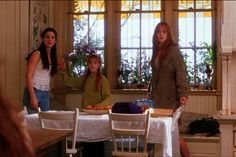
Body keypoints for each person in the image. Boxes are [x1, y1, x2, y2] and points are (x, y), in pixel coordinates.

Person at [149, 22, 191, 157]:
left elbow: (181, 72)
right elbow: (155, 76)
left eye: (164, 32)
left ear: (168, 35)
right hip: (158, 100)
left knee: (175, 135)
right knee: (163, 135)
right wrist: (150, 93)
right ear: (155, 35)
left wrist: (183, 93)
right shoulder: (156, 51)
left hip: (171, 100)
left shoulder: (173, 50)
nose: (161, 34)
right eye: (158, 32)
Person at [60, 54, 112, 157]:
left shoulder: (103, 80)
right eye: (90, 62)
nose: (92, 64)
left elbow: (108, 98)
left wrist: (96, 106)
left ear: (99, 65)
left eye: (95, 62)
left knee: (97, 143)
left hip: (98, 116)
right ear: (87, 64)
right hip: (86, 115)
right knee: (87, 143)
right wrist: (63, 71)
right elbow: (71, 82)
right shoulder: (84, 78)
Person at [23, 27, 58, 114]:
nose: (50, 39)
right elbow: (28, 76)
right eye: (47, 37)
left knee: (44, 120)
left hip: (45, 91)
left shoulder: (52, 56)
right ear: (43, 39)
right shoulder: (37, 54)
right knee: (31, 120)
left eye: (52, 37)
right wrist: (32, 96)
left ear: (55, 41)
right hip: (34, 90)